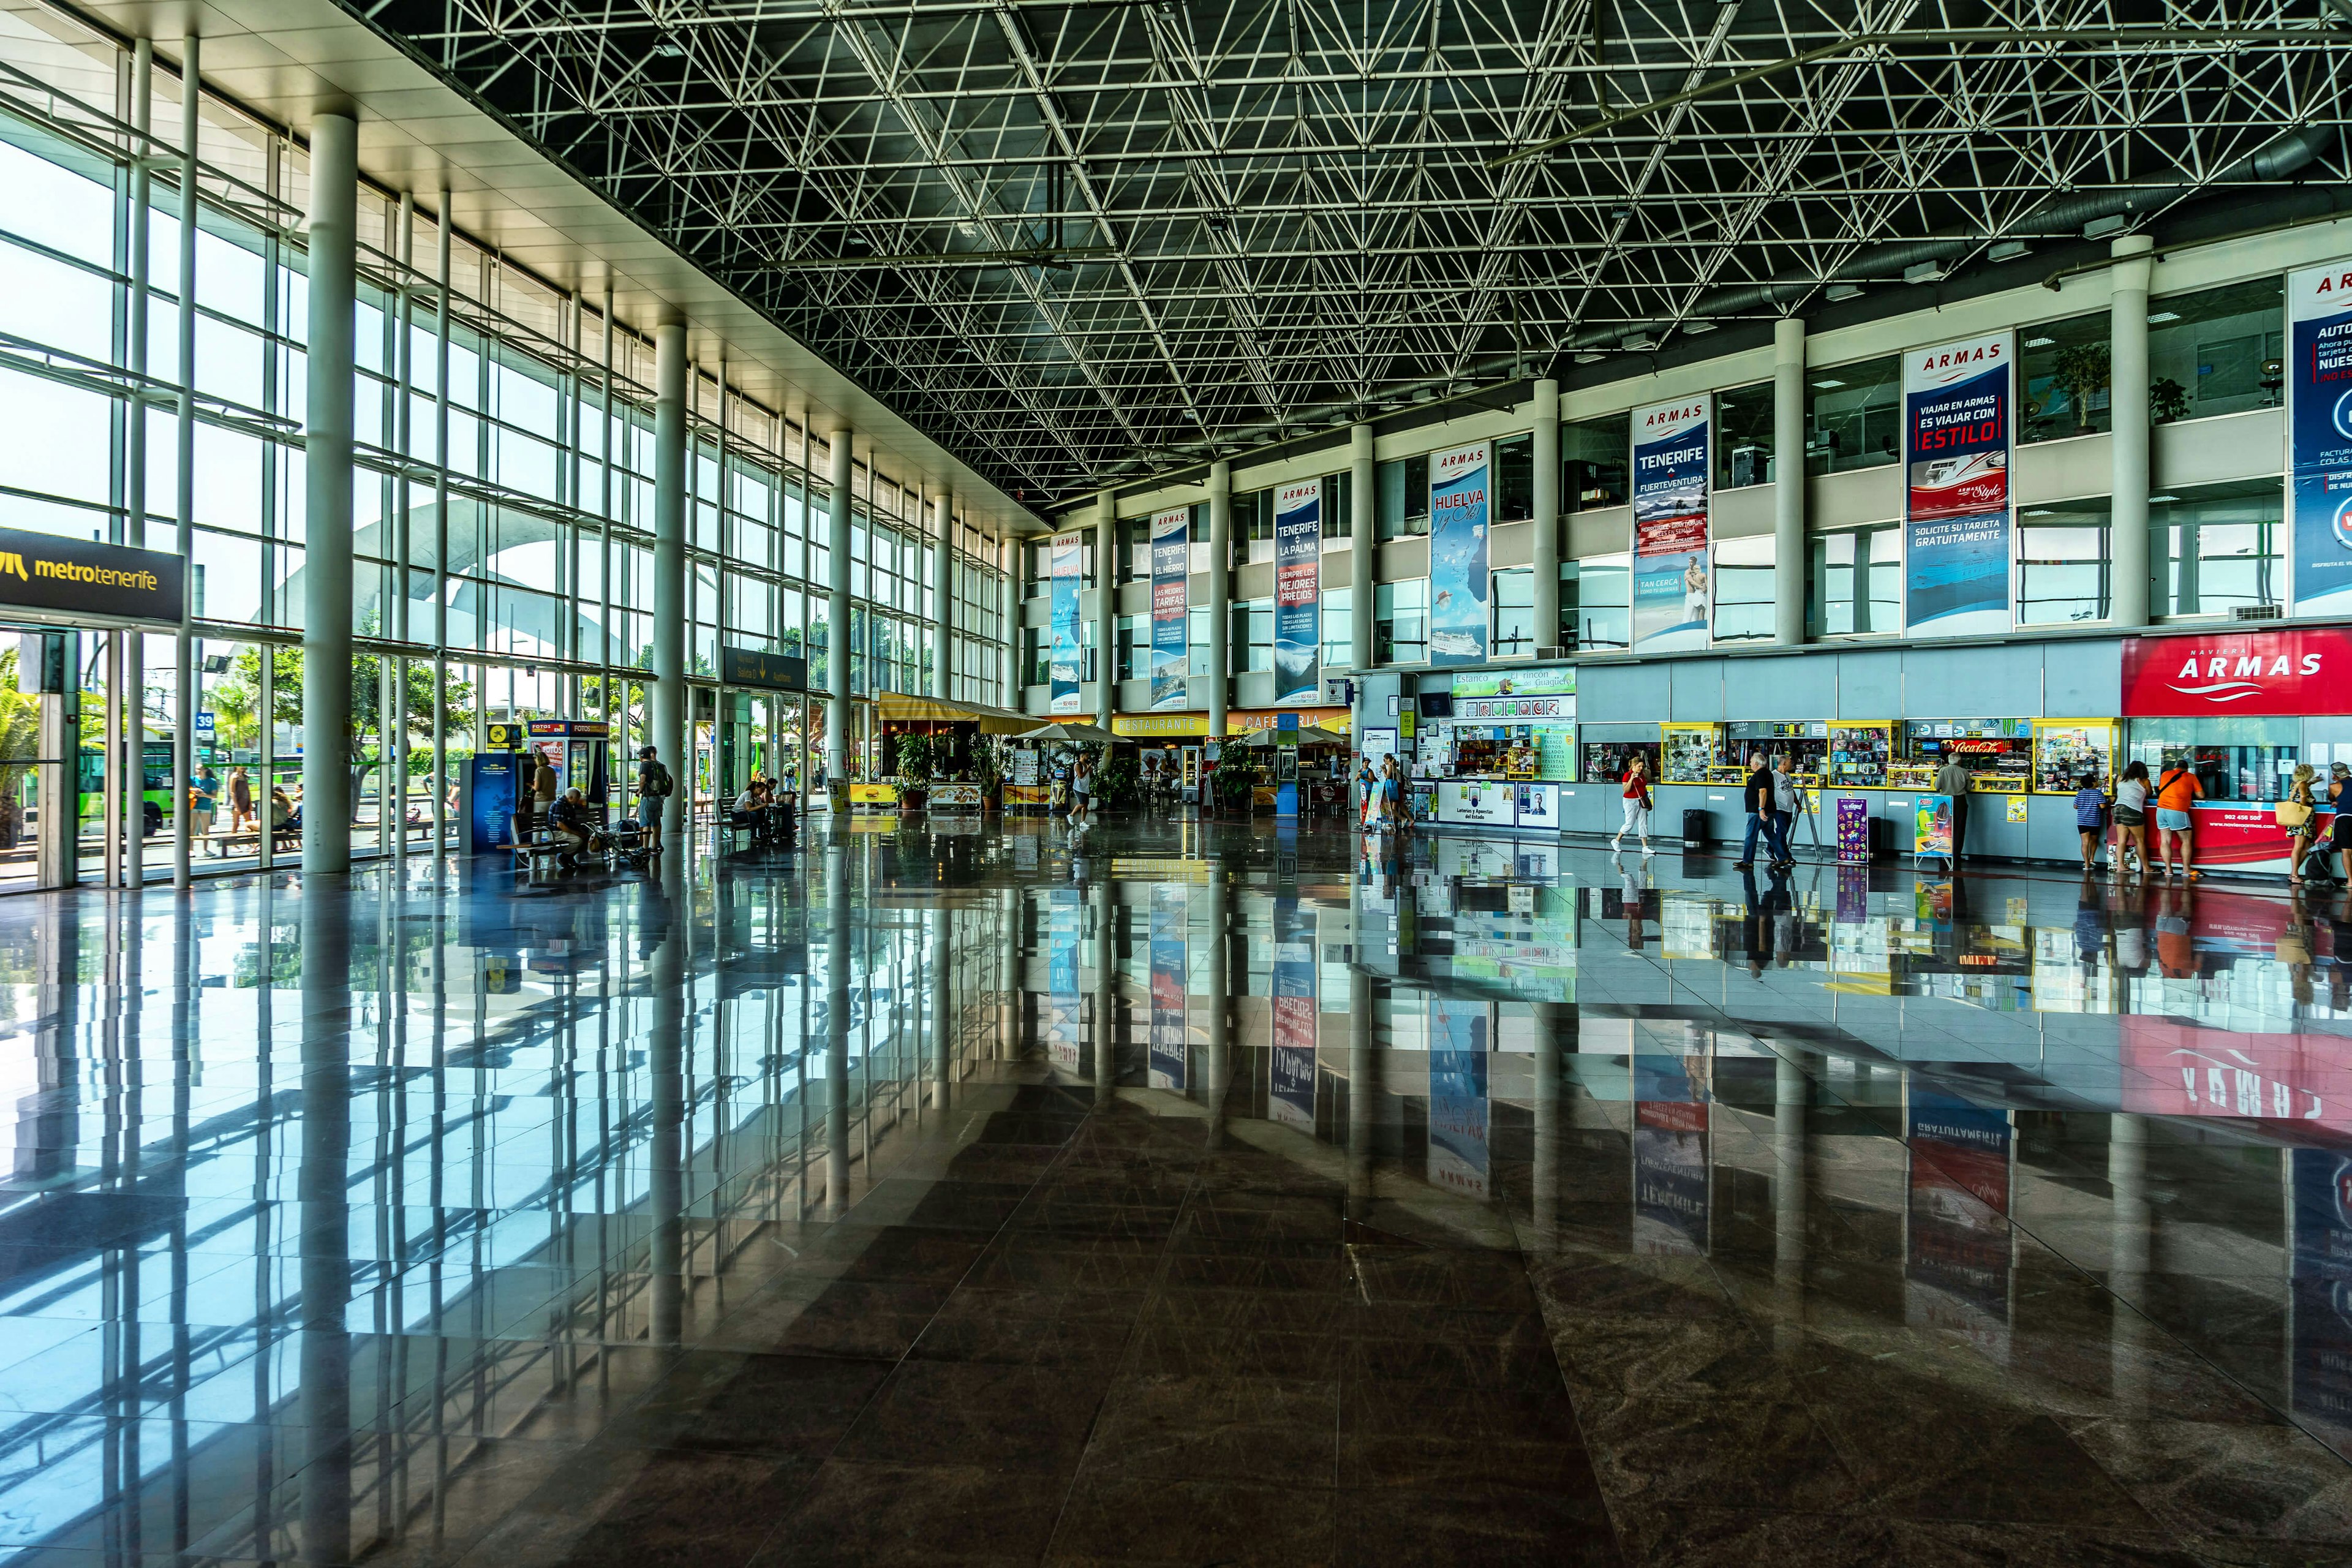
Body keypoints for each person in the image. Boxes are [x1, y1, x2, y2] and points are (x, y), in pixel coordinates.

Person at [2155, 754, 2203, 880]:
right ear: (2186, 769)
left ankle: (2168, 870)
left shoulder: (2165, 774)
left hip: (2161, 809)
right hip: (2177, 809)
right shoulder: (2191, 777)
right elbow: (2201, 795)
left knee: (2165, 840)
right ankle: (2186, 869)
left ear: (2175, 767)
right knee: (2186, 840)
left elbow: (2161, 788)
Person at [2112, 760, 2152, 878]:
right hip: (2132, 810)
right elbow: (2150, 793)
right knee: (2139, 840)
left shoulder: (2121, 778)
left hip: (2118, 809)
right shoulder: (2144, 780)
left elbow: (2120, 791)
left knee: (2121, 840)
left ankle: (2120, 866)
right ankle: (2146, 867)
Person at [1736, 752, 1776, 870]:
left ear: (1757, 764)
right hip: (1766, 809)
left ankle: (1747, 861)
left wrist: (1761, 809)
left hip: (1758, 811)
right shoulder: (1767, 773)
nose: (1750, 764)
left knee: (1751, 835)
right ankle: (1784, 856)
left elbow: (1762, 792)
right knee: (1771, 835)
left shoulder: (1760, 774)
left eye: (1752, 762)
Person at [1932, 750, 1973, 865]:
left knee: (1943, 828)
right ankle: (1956, 855)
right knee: (1959, 829)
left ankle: (1943, 853)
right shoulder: (1964, 771)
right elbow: (1969, 788)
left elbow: (1937, 786)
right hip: (1960, 801)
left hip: (1945, 802)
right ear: (1959, 761)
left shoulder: (1942, 771)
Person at [2285, 762, 2321, 886]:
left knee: (2307, 847)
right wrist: (2306, 804)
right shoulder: (2303, 784)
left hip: (2300, 819)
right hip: (2302, 819)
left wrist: (2314, 782)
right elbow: (2303, 798)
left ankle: (2292, 873)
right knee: (2299, 847)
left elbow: (2304, 787)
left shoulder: (2296, 783)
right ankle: (2295, 875)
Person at [635, 745, 674, 853]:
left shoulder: (645, 765)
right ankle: (654, 846)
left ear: (642, 756)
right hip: (659, 798)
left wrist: (639, 791)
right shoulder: (660, 766)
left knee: (645, 823)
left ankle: (645, 847)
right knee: (656, 823)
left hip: (648, 798)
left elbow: (643, 780)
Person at [1612, 754, 1653, 854]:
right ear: (1633, 766)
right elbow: (1626, 790)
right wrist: (1631, 778)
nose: (1641, 768)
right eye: (1639, 766)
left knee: (1643, 823)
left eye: (1642, 766)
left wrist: (1647, 800)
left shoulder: (1642, 775)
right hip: (1630, 801)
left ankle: (1645, 847)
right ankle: (1616, 840)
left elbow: (1644, 786)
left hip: (1641, 800)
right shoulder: (1627, 775)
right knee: (1629, 823)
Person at [547, 785, 594, 867]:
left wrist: (581, 832)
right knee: (577, 840)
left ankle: (569, 857)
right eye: (577, 798)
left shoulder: (569, 805)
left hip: (564, 832)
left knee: (588, 840)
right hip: (556, 833)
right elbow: (560, 825)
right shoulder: (560, 804)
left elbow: (573, 823)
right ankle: (563, 858)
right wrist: (576, 833)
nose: (578, 801)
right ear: (571, 798)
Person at [1770, 753, 1802, 868]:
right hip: (1779, 809)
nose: (1791, 764)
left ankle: (1770, 848)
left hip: (1789, 809)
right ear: (1783, 764)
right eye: (1789, 762)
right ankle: (1785, 856)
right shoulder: (1773, 776)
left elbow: (1791, 790)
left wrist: (1797, 803)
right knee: (1782, 833)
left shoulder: (1788, 775)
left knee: (1782, 833)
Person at [2073, 772, 2109, 871]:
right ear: (2093, 783)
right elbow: (2102, 806)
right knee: (2094, 840)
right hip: (2094, 821)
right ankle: (2092, 859)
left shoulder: (2080, 793)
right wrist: (2110, 801)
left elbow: (2075, 806)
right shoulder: (2098, 793)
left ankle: (2086, 864)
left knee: (2085, 843)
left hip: (2082, 822)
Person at [190, 764, 219, 843]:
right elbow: (185, 789)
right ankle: (191, 849)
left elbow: (214, 796)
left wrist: (204, 795)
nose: (199, 771)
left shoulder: (211, 781)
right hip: (194, 806)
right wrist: (194, 790)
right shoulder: (192, 779)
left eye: (201, 769)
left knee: (205, 829)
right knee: (192, 829)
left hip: (206, 806)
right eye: (197, 769)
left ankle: (205, 850)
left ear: (206, 770)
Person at [227, 765, 255, 834]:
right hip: (237, 802)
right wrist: (237, 806)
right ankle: (233, 843)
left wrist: (250, 803)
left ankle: (250, 842)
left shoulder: (245, 777)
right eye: (240, 766)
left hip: (245, 801)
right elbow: (232, 792)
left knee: (249, 823)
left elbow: (248, 790)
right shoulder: (234, 777)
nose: (242, 767)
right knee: (236, 824)